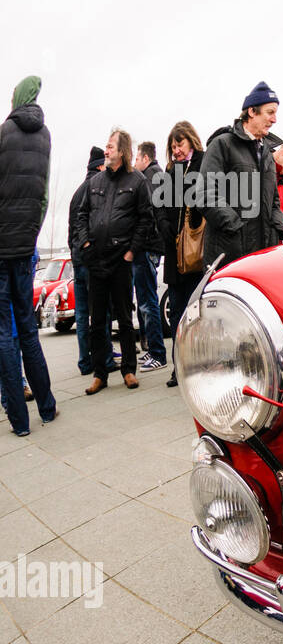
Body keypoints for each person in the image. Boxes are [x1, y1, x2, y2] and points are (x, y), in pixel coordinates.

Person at [73, 128, 151, 394]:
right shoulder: (95, 182)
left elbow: (145, 219)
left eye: (110, 147)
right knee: (97, 320)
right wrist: (85, 243)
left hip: (121, 261)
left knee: (125, 319)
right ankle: (99, 374)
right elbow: (82, 215)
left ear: (122, 151)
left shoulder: (137, 181)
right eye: (106, 147)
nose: (106, 151)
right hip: (96, 260)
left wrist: (131, 251)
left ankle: (129, 369)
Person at [0, 76, 58, 434]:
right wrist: (31, 233)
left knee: (4, 334)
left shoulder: (4, 132)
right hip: (25, 247)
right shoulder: (45, 136)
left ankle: (19, 421)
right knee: (28, 330)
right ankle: (47, 408)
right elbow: (44, 196)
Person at [201, 82, 283, 269]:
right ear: (251, 111)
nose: (274, 120)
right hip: (228, 257)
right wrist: (236, 228)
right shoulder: (222, 145)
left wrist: (279, 229)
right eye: (270, 112)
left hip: (263, 257)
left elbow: (273, 200)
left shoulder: (267, 155)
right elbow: (205, 194)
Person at [159, 121, 204, 387]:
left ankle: (200, 364)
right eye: (173, 146)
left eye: (180, 144)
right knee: (176, 312)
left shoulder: (203, 163)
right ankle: (180, 367)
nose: (176, 150)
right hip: (175, 253)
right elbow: (161, 205)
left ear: (191, 141)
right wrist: (163, 223)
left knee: (197, 313)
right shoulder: (170, 171)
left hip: (197, 252)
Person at [67, 146, 114, 376]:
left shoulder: (76, 192)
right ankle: (104, 359)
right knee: (100, 311)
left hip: (77, 259)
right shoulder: (98, 189)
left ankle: (84, 361)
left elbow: (71, 230)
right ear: (99, 166)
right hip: (92, 259)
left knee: (81, 313)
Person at [131, 141, 167, 371]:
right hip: (153, 245)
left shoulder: (150, 177)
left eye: (136, 158)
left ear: (145, 158)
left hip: (147, 246)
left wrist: (140, 241)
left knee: (147, 301)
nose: (134, 163)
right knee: (146, 299)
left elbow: (150, 214)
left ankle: (157, 353)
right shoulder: (157, 175)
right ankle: (153, 350)